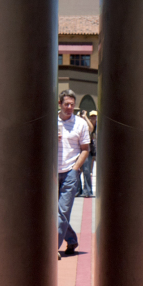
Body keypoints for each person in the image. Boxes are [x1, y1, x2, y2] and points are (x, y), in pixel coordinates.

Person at [56, 89, 91, 256]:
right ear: (60, 104)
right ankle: (71, 239)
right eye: (66, 104)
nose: (69, 107)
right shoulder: (51, 121)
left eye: (72, 104)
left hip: (70, 172)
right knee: (54, 212)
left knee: (62, 211)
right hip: (53, 173)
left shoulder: (80, 124)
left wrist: (75, 169)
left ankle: (52, 248)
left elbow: (85, 149)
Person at [80, 110, 98, 198]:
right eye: (92, 116)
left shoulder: (96, 125)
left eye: (94, 116)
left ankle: (87, 191)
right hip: (80, 149)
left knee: (87, 170)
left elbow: (91, 129)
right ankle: (78, 190)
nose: (93, 118)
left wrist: (85, 117)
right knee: (78, 171)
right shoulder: (83, 123)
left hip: (90, 150)